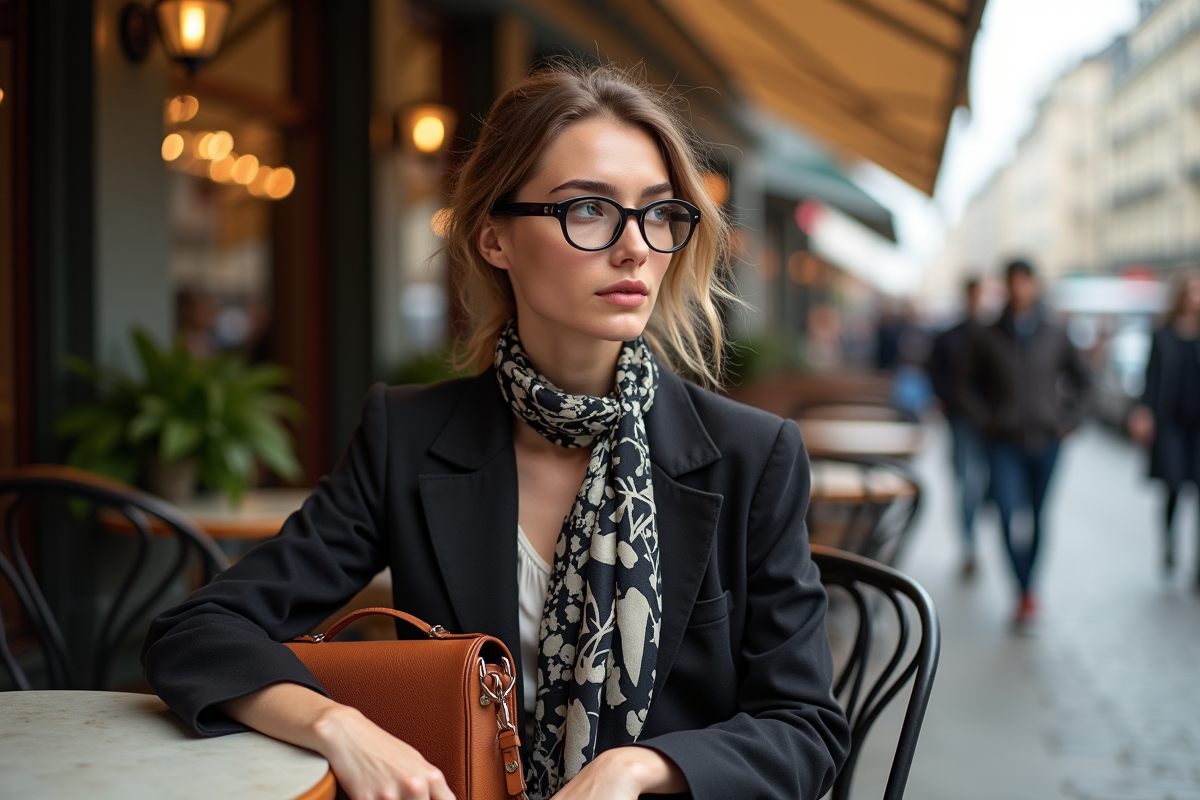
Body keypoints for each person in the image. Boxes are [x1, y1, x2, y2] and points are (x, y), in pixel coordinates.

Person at [142, 63, 849, 800]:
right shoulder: (409, 437)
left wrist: (639, 767)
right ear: (494, 240)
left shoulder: (748, 457)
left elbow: (804, 728)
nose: (637, 246)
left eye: (659, 212)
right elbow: (198, 631)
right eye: (589, 211)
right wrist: (336, 726)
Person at [957, 260, 1091, 625]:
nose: (1019, 289)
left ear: (1034, 285)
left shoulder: (1055, 332)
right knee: (1004, 511)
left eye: (1025, 281)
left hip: (1047, 441)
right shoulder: (987, 334)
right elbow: (964, 384)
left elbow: (1083, 379)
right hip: (1003, 442)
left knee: (1037, 516)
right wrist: (986, 419)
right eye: (1013, 282)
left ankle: (1029, 590)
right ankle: (1023, 588)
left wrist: (1070, 420)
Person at [1129, 269, 1200, 584]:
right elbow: (1151, 378)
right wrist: (1143, 411)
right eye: (1192, 291)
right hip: (1170, 421)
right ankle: (1169, 544)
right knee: (1173, 486)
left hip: (1198, 425)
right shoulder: (1163, 334)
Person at [927, 278, 987, 576]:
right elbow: (934, 370)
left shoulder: (994, 334)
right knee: (967, 481)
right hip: (961, 420)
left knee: (984, 483)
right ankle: (969, 543)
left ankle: (974, 536)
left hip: (992, 424)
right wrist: (944, 400)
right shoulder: (951, 335)